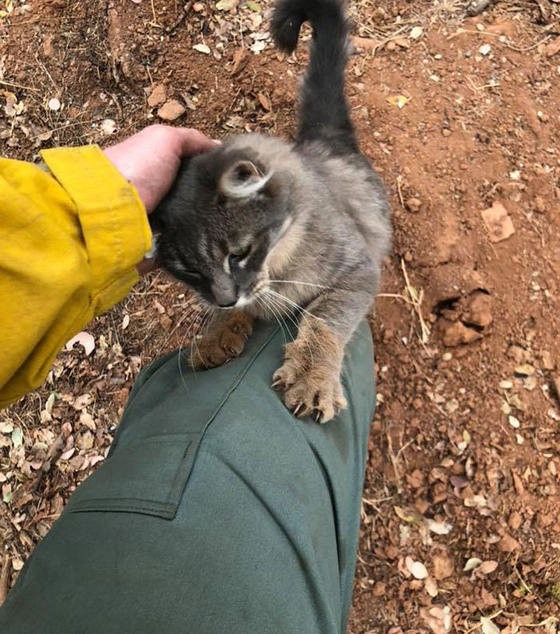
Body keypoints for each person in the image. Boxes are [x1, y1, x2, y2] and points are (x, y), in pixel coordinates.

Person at [0, 125, 377, 633]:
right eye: (197, 277)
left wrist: (320, 346)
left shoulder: (274, 204)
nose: (224, 295)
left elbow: (356, 272)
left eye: (235, 259)